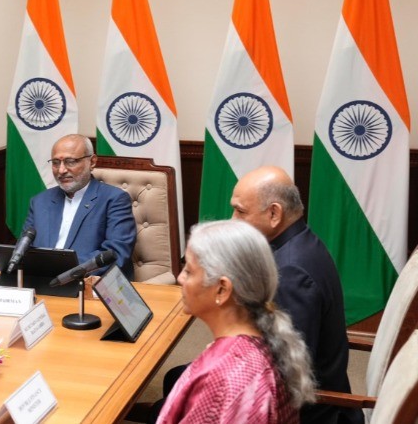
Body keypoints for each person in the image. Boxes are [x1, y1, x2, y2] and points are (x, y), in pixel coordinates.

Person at [231, 166, 361, 424]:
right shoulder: (300, 242)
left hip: (310, 414)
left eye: (240, 211)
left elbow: (285, 375)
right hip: (310, 393)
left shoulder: (291, 272)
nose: (233, 220)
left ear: (274, 213)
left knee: (176, 394)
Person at [157, 220, 314, 423]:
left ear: (222, 289)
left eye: (189, 271)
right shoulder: (266, 339)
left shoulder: (224, 378)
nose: (180, 278)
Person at [22, 134, 136, 278]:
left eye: (70, 162)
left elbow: (116, 253)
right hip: (39, 281)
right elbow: (23, 250)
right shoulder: (40, 201)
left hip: (88, 283)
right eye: (56, 163)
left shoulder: (114, 199)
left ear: (92, 162)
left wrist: (60, 269)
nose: (61, 170)